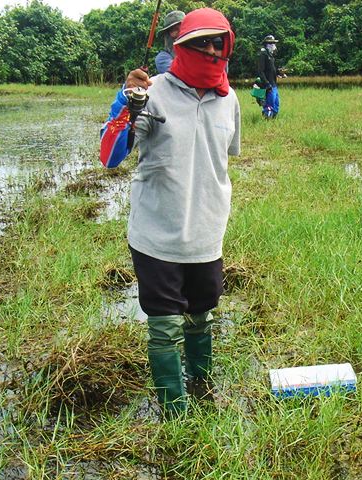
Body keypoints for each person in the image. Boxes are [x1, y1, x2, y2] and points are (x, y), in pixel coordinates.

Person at [99, 8, 241, 419]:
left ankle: (202, 390)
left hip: (207, 232)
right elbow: (110, 157)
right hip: (156, 233)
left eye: (219, 43)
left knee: (201, 316)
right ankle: (174, 412)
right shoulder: (152, 92)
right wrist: (123, 106)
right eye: (202, 43)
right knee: (164, 326)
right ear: (180, 46)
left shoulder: (228, 99)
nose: (212, 51)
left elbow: (222, 159)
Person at [257, 34, 283, 119]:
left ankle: (273, 120)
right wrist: (267, 84)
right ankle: (266, 121)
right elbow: (261, 71)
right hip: (268, 85)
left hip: (274, 84)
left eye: (273, 43)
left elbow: (272, 70)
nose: (273, 45)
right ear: (267, 45)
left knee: (276, 104)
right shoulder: (263, 55)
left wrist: (279, 73)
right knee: (269, 105)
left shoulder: (270, 56)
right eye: (271, 43)